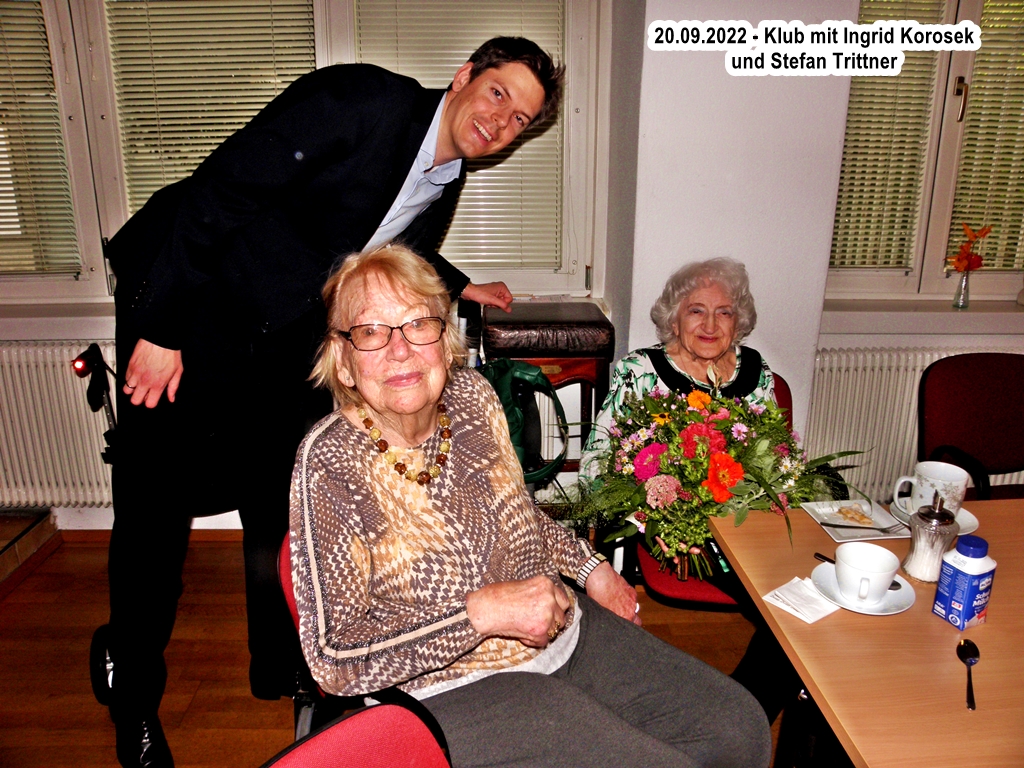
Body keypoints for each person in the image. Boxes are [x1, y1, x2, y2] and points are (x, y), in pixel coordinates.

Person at [100, 37, 563, 768]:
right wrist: (162, 327)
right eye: (499, 94)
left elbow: (372, 232)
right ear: (465, 75)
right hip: (186, 299)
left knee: (279, 490)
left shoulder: (443, 176)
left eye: (521, 120)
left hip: (277, 332)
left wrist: (457, 283)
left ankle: (278, 662)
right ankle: (133, 698)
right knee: (155, 506)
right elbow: (222, 190)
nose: (502, 122)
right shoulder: (361, 101)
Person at [289, 245, 771, 768]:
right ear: (343, 360)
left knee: (737, 725)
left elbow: (519, 516)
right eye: (371, 331)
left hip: (562, 631)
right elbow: (334, 660)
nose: (400, 350)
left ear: (445, 339)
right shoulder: (330, 461)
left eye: (418, 324)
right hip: (448, 688)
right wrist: (479, 615)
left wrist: (590, 569)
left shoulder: (472, 397)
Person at [580, 257, 801, 726]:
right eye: (696, 310)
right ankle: (736, 720)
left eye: (724, 312)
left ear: (739, 321)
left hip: (745, 527)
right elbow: (596, 465)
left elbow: (777, 458)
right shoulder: (640, 372)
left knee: (800, 610)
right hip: (671, 529)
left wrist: (770, 495)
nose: (710, 325)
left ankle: (736, 715)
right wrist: (654, 512)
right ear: (674, 319)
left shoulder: (756, 371)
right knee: (788, 611)